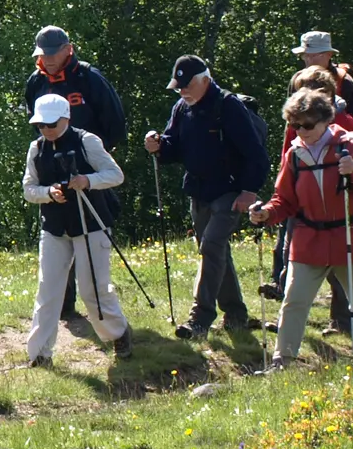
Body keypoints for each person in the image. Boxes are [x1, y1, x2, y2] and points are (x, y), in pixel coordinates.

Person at [248, 89, 353, 367]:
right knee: (293, 301)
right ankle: (282, 360)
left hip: (352, 236)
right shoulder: (295, 155)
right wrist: (266, 213)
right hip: (309, 240)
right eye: (295, 125)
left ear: (325, 120)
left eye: (307, 125)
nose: (301, 131)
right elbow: (284, 200)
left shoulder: (349, 146)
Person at [143, 55, 268, 340]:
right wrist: (158, 145)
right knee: (216, 250)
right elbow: (173, 146)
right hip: (198, 191)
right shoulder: (181, 108)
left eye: (187, 86)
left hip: (230, 190)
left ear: (205, 80)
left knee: (211, 246)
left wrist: (249, 191)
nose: (182, 91)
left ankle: (200, 320)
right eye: (179, 87)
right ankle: (236, 314)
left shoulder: (229, 106)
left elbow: (256, 153)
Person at [23, 25, 127, 324]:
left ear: (68, 49)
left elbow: (115, 120)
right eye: (43, 54)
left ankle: (101, 310)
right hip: (52, 168)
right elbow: (34, 121)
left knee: (91, 229)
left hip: (91, 164)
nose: (49, 59)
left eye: (53, 53)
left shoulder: (89, 78)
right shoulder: (36, 82)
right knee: (56, 229)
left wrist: (97, 157)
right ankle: (65, 308)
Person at [21, 94, 130, 368]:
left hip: (91, 224)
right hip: (55, 228)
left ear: (66, 119)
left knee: (93, 288)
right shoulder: (36, 148)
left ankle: (118, 334)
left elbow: (115, 175)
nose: (46, 129)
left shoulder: (87, 141)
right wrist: (49, 193)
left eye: (51, 124)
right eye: (41, 125)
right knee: (48, 291)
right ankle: (40, 354)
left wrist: (87, 180)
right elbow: (28, 189)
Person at [258, 66, 353, 336]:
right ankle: (288, 332)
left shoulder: (343, 125)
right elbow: (289, 152)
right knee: (287, 256)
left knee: (340, 273)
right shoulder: (296, 123)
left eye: (306, 89)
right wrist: (271, 207)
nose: (299, 129)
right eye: (298, 89)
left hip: (339, 218)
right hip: (301, 205)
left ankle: (344, 322)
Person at [294, 31, 353, 129]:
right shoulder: (297, 80)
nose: (308, 60)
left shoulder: (345, 81)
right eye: (305, 55)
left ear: (329, 54)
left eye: (313, 55)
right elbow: (291, 119)